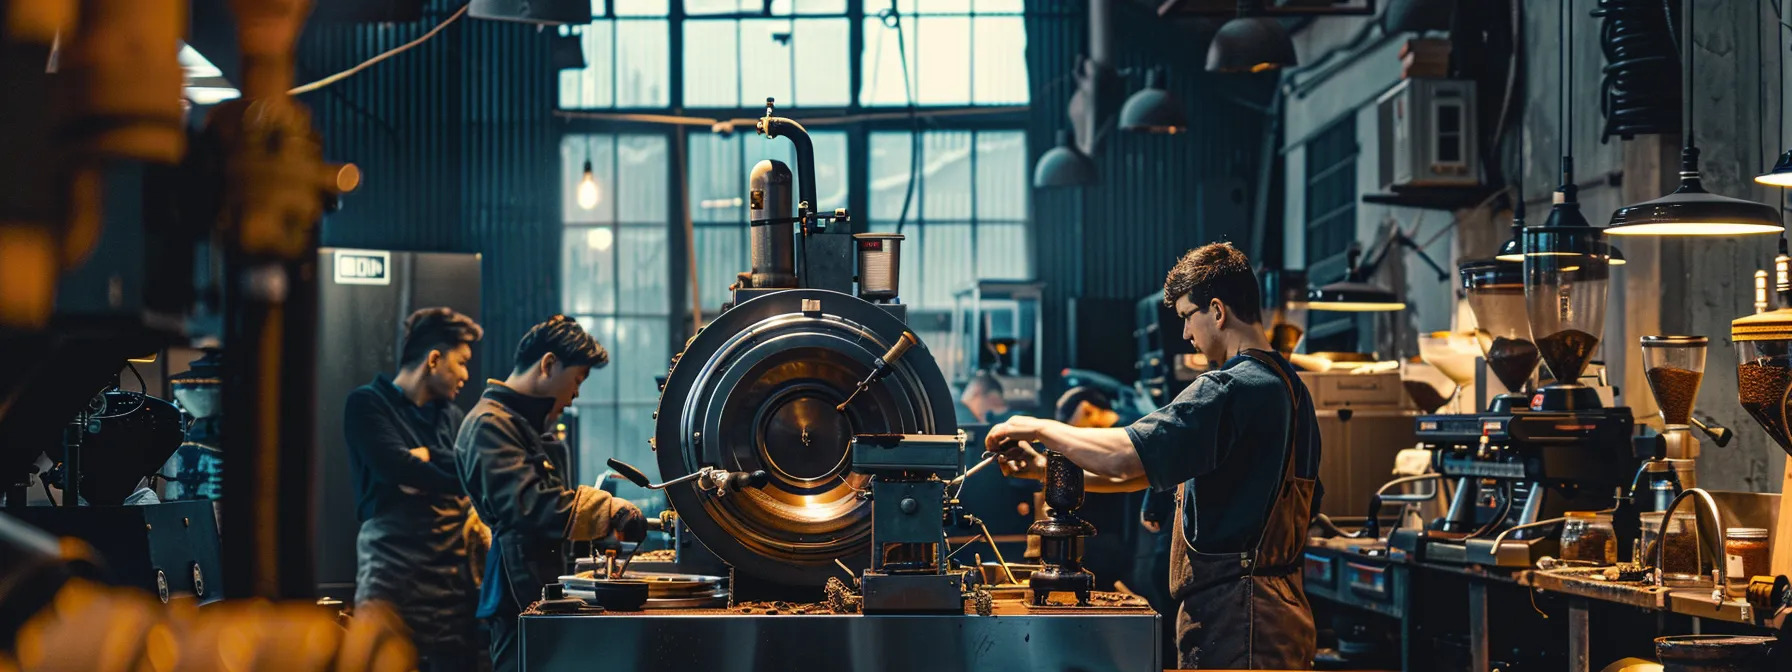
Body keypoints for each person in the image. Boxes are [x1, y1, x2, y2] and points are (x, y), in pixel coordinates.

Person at [989, 242, 1321, 670]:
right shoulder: (1292, 390)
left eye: (1187, 316)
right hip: (1281, 614)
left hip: (1238, 620)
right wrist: (1042, 469)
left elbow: (1125, 455)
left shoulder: (1229, 388)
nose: (1186, 334)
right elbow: (1138, 474)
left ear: (1217, 311)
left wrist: (1037, 428)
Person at [457, 315, 646, 672]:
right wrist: (607, 508)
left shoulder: (520, 423)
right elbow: (530, 505)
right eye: (577, 380)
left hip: (533, 581)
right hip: (515, 589)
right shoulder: (491, 424)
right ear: (548, 364)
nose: (575, 395)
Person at [341, 308, 484, 671]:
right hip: (392, 584)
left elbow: (472, 471)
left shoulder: (450, 417)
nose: (466, 374)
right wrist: (426, 467)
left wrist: (426, 459)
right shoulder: (367, 404)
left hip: (452, 591)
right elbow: (397, 468)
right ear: (434, 359)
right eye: (462, 362)